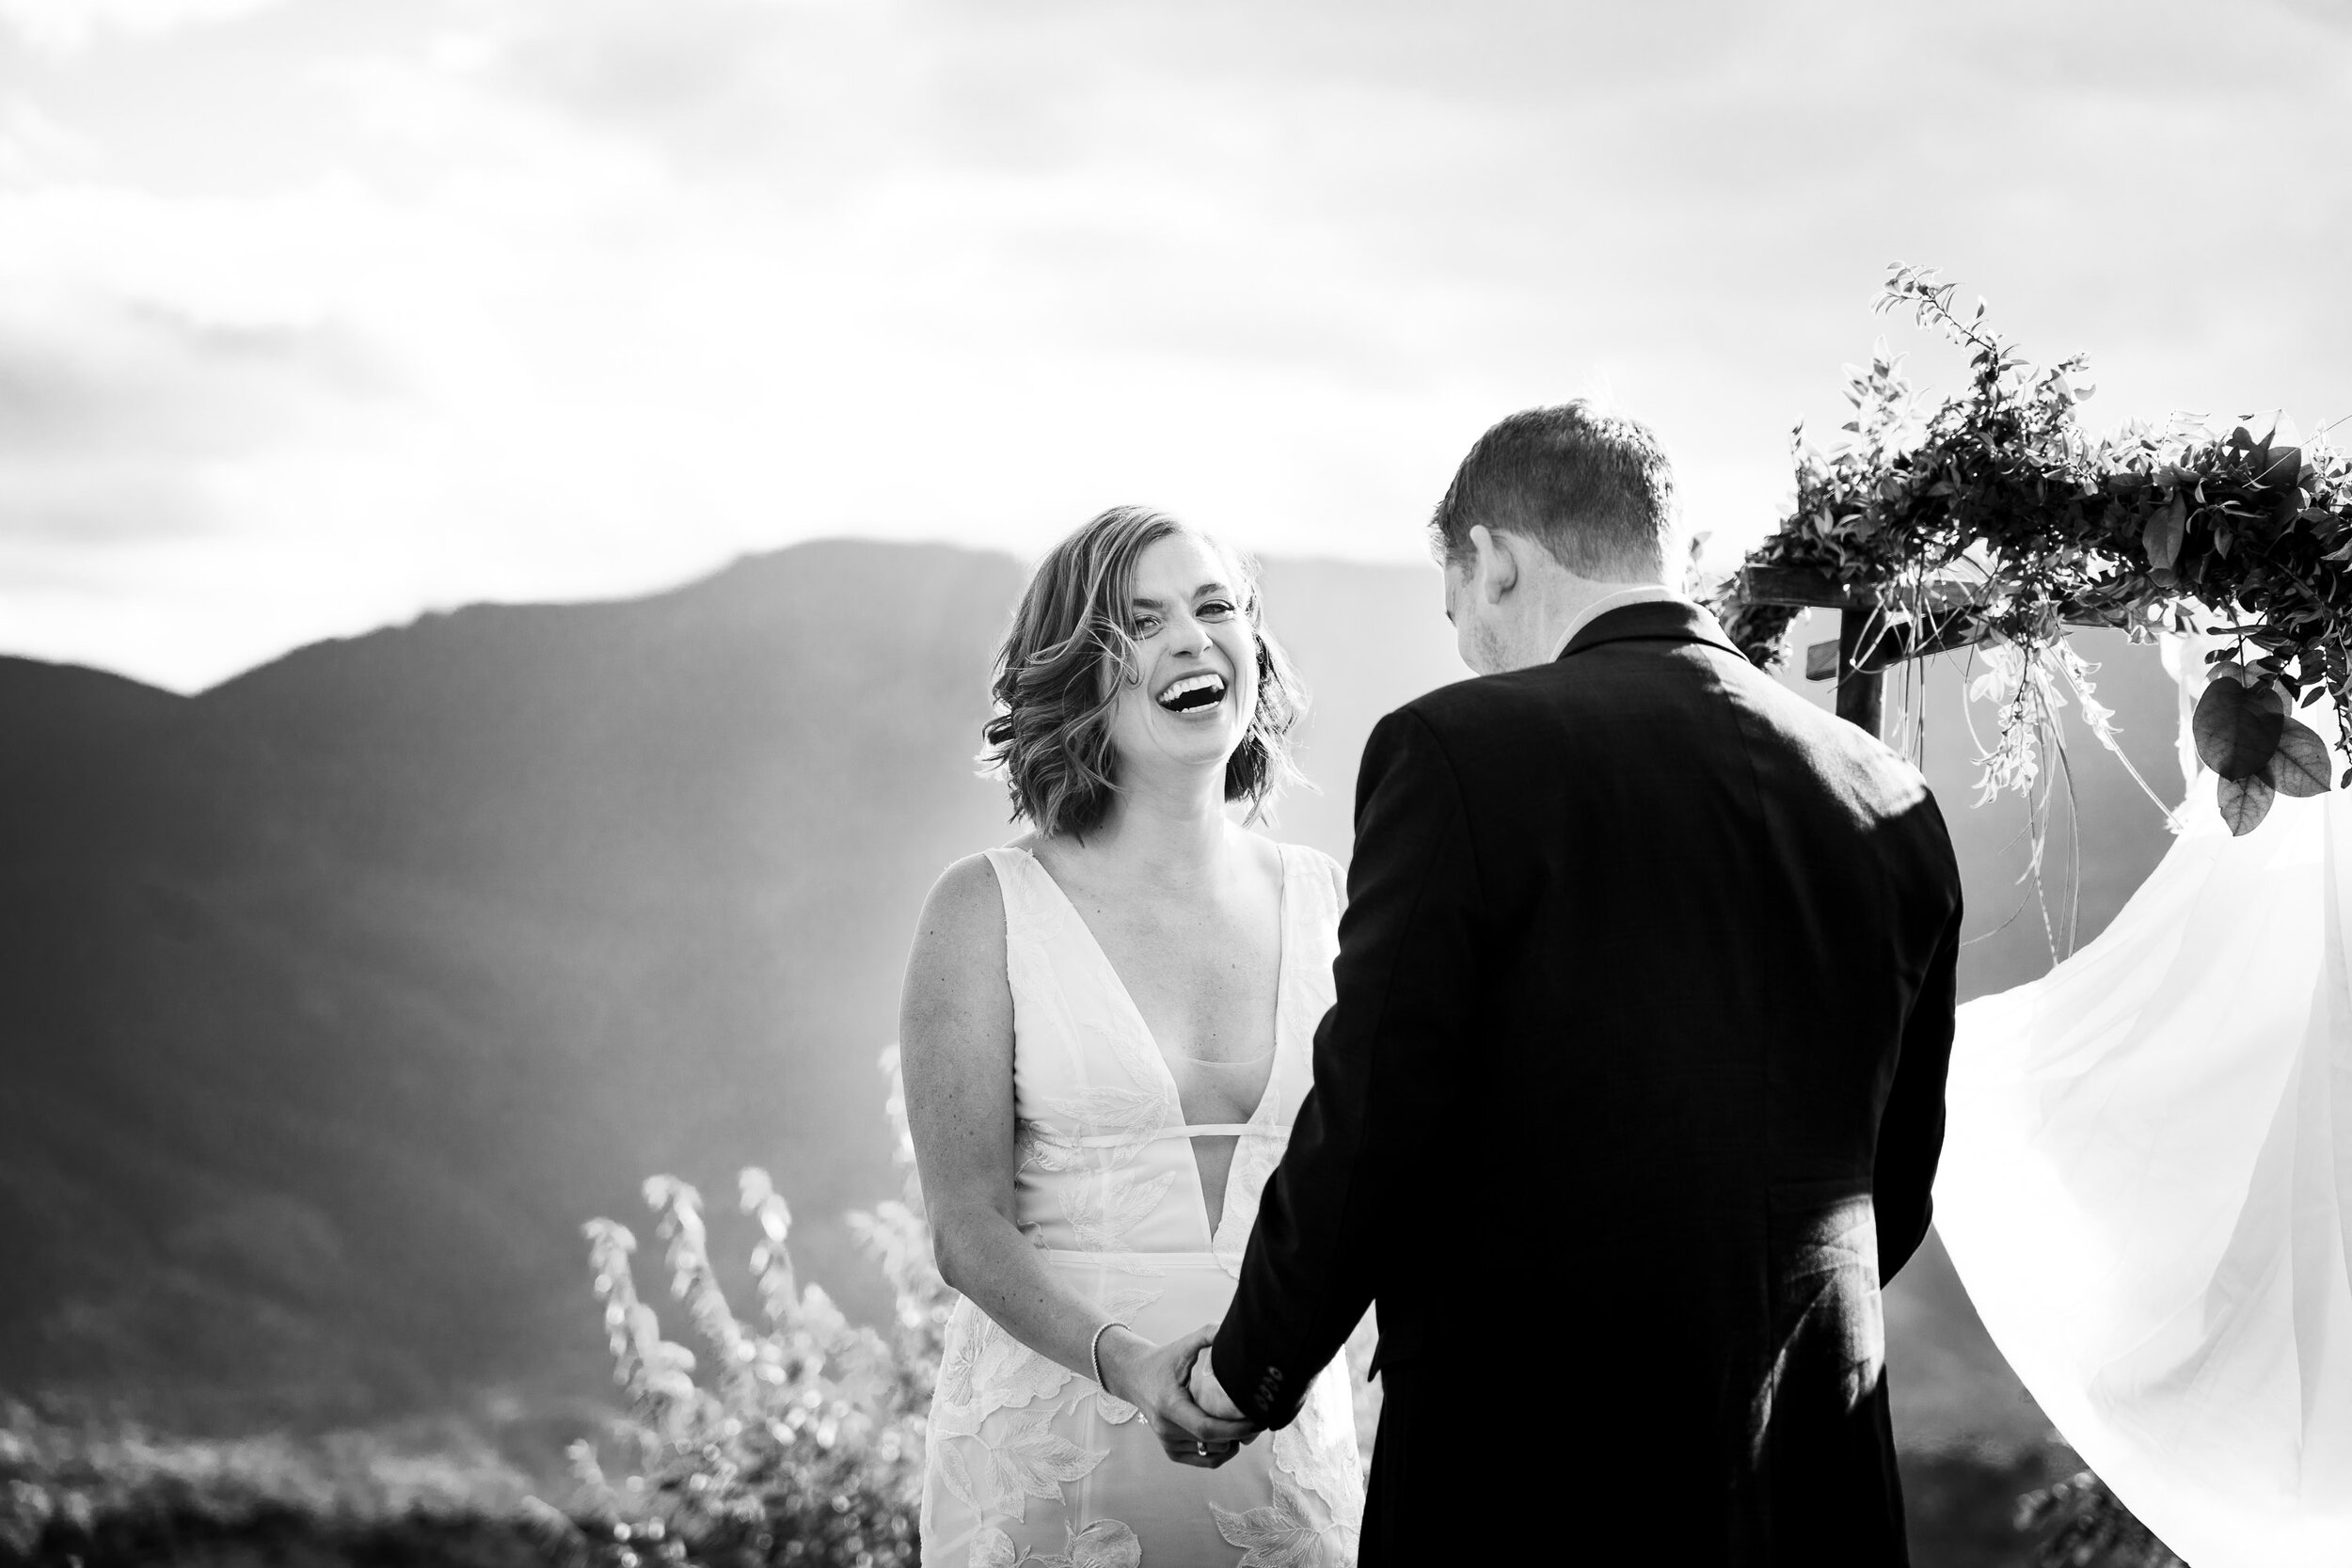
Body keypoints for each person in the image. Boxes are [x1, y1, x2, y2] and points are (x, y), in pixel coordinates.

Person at [1191, 404, 1964, 1564]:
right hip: (1812, 1467)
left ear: (1493, 558)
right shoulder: (1887, 795)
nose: (1465, 642)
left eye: (1456, 605)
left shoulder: (1457, 752)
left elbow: (1373, 1114)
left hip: (1535, 1470)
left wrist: (1251, 1367)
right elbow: (1895, 1183)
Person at [898, 506, 1365, 1567]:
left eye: (1215, 607)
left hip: (1285, 1460)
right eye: (1142, 623)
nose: (1194, 640)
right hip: (1046, 1462)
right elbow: (965, 1228)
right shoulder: (982, 907)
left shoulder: (1331, 900)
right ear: (1078, 676)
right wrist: (1125, 1364)